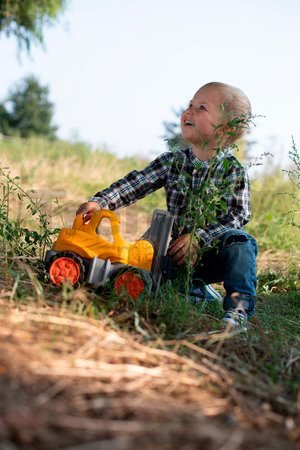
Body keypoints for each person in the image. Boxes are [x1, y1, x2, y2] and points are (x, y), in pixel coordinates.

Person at [76, 81, 258, 331]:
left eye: (201, 108)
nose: (189, 111)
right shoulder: (173, 162)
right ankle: (192, 290)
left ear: (225, 129)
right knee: (145, 283)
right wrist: (101, 201)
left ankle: (237, 311)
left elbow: (239, 215)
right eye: (190, 105)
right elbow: (138, 182)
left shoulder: (233, 172)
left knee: (242, 242)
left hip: (214, 253)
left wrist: (200, 237)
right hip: (177, 255)